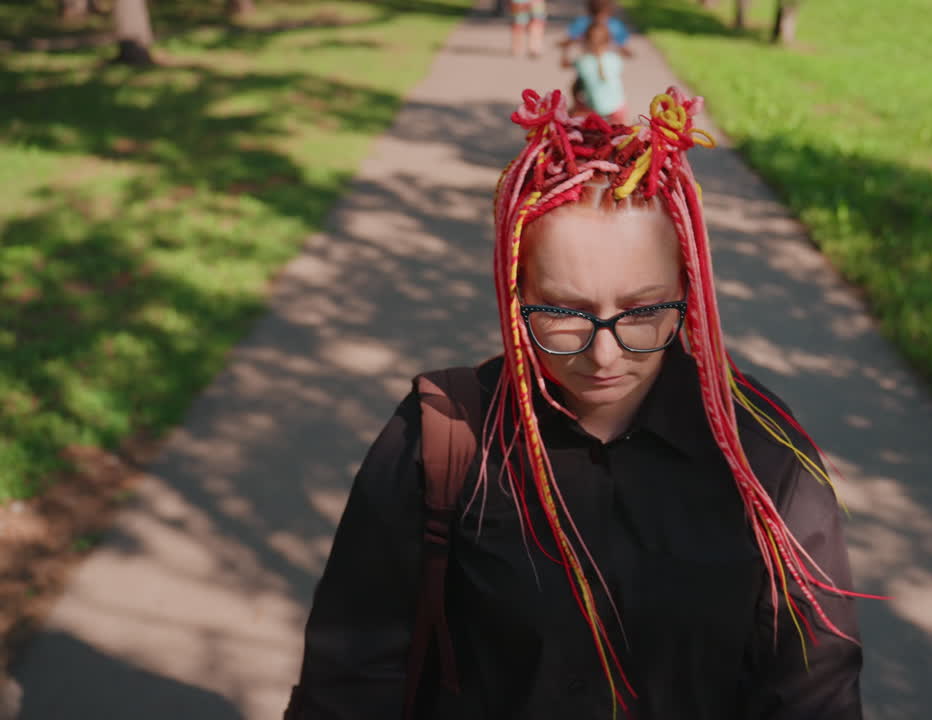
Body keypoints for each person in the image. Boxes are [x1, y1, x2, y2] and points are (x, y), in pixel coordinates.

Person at [286, 87, 870, 719]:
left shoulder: (767, 458)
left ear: (686, 286)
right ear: (516, 291)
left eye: (644, 311)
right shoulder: (440, 438)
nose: (605, 356)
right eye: (564, 313)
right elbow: (347, 680)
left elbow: (815, 693)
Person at [563, 19, 628, 123]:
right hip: (617, 110)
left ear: (585, 41)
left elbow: (565, 66)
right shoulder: (615, 59)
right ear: (609, 41)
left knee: (572, 112)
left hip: (593, 111)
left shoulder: (582, 61)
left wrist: (565, 50)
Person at [560, 0, 632, 58]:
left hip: (589, 58)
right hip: (606, 60)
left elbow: (571, 39)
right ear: (610, 11)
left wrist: (565, 54)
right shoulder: (615, 25)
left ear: (589, 10)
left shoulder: (582, 22)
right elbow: (622, 44)